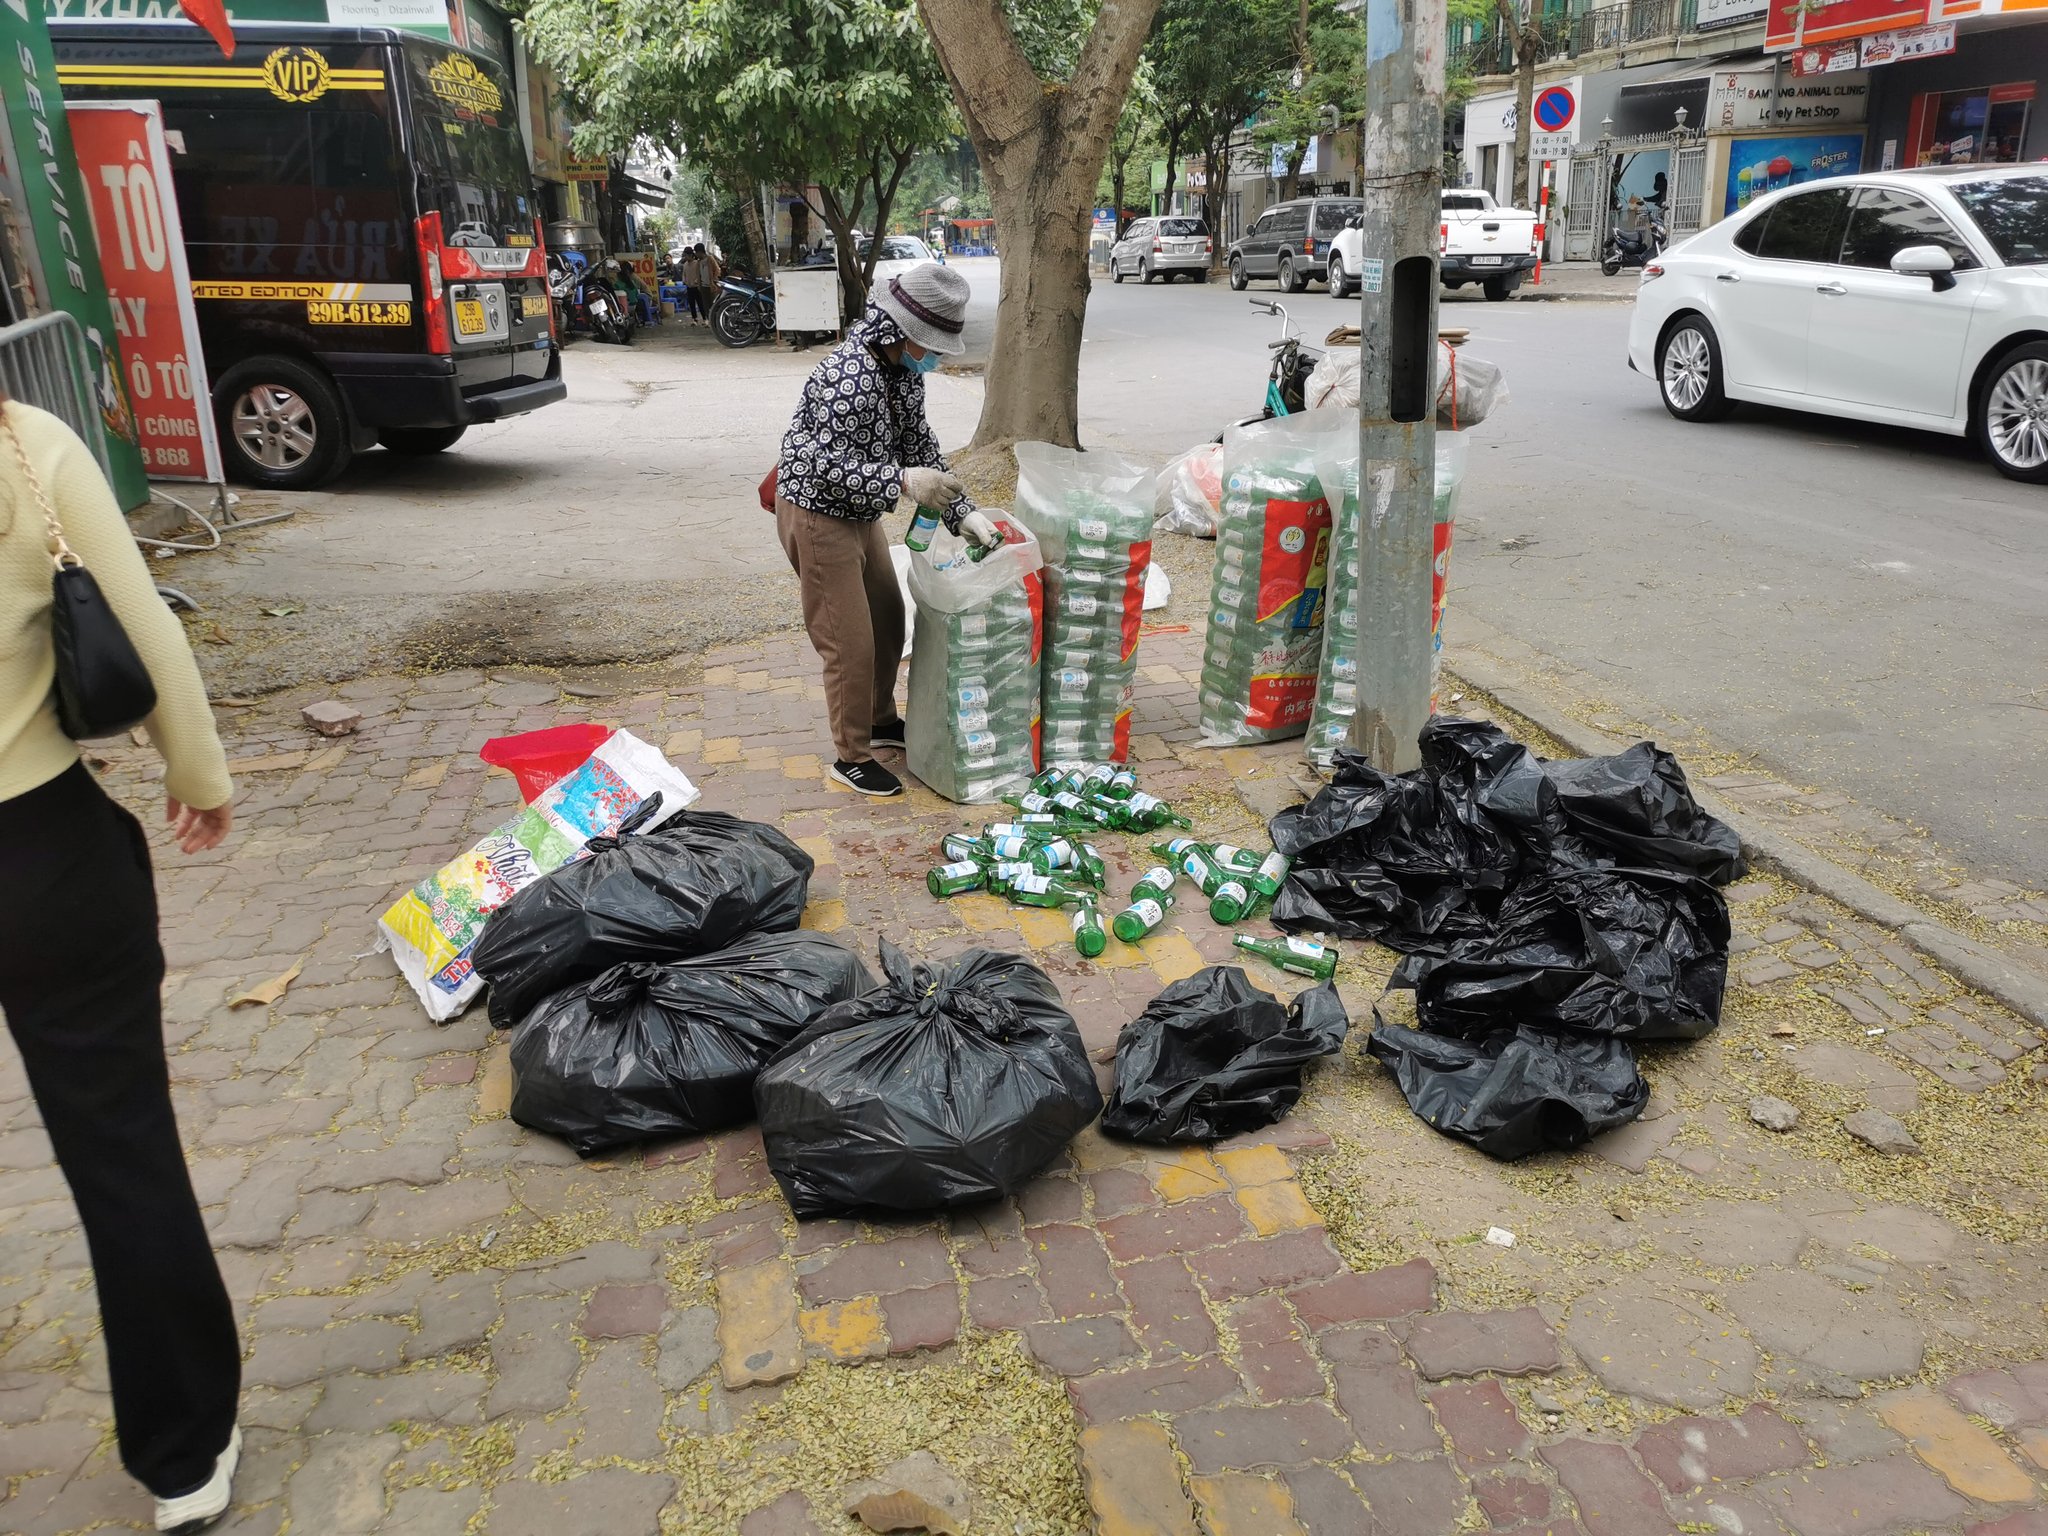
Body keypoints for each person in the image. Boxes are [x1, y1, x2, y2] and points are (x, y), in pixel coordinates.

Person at [0, 397, 242, 1532]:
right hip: (37, 848)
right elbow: (144, 628)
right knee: (120, 1150)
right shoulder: (22, 446)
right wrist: (197, 775)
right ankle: (184, 1457)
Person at [776, 261, 999, 798]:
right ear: (903, 332)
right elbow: (823, 464)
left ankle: (878, 719)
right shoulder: (848, 375)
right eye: (932, 344)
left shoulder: (899, 371)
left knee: (887, 615)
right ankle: (850, 754)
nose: (937, 356)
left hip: (859, 511)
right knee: (847, 641)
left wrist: (962, 510)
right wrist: (899, 479)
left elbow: (919, 442)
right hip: (817, 511)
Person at [694, 244, 723, 324]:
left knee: (714, 304)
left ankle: (717, 321)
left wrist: (714, 280)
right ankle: (710, 321)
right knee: (706, 305)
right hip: (703, 286)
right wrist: (699, 285)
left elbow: (717, 270)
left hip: (712, 286)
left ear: (700, 252)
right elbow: (698, 274)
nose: (696, 254)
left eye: (696, 252)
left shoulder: (710, 259)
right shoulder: (699, 262)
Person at [679, 247, 704, 323]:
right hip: (689, 286)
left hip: (697, 287)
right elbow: (684, 274)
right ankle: (694, 319)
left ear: (690, 255)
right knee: (691, 303)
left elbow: (701, 274)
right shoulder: (685, 264)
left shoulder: (697, 263)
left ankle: (705, 318)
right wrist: (684, 280)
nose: (685, 257)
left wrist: (697, 281)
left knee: (700, 303)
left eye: (686, 255)